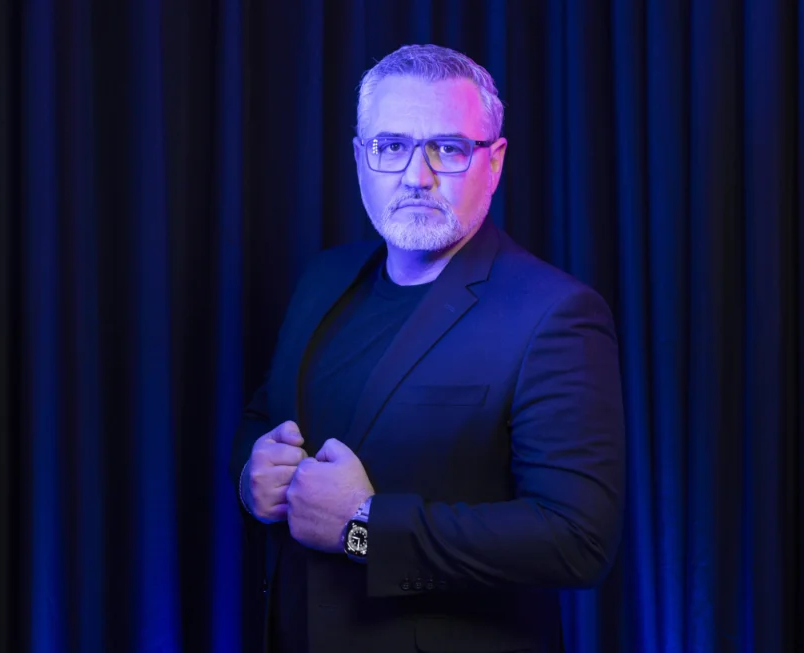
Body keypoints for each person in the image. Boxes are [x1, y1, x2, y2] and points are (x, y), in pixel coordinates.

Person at [229, 43, 625, 653]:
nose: (417, 176)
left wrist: (364, 527)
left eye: (449, 148)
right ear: (360, 158)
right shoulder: (323, 280)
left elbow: (577, 541)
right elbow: (266, 413)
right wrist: (251, 474)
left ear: (494, 162)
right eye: (392, 147)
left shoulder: (554, 314)